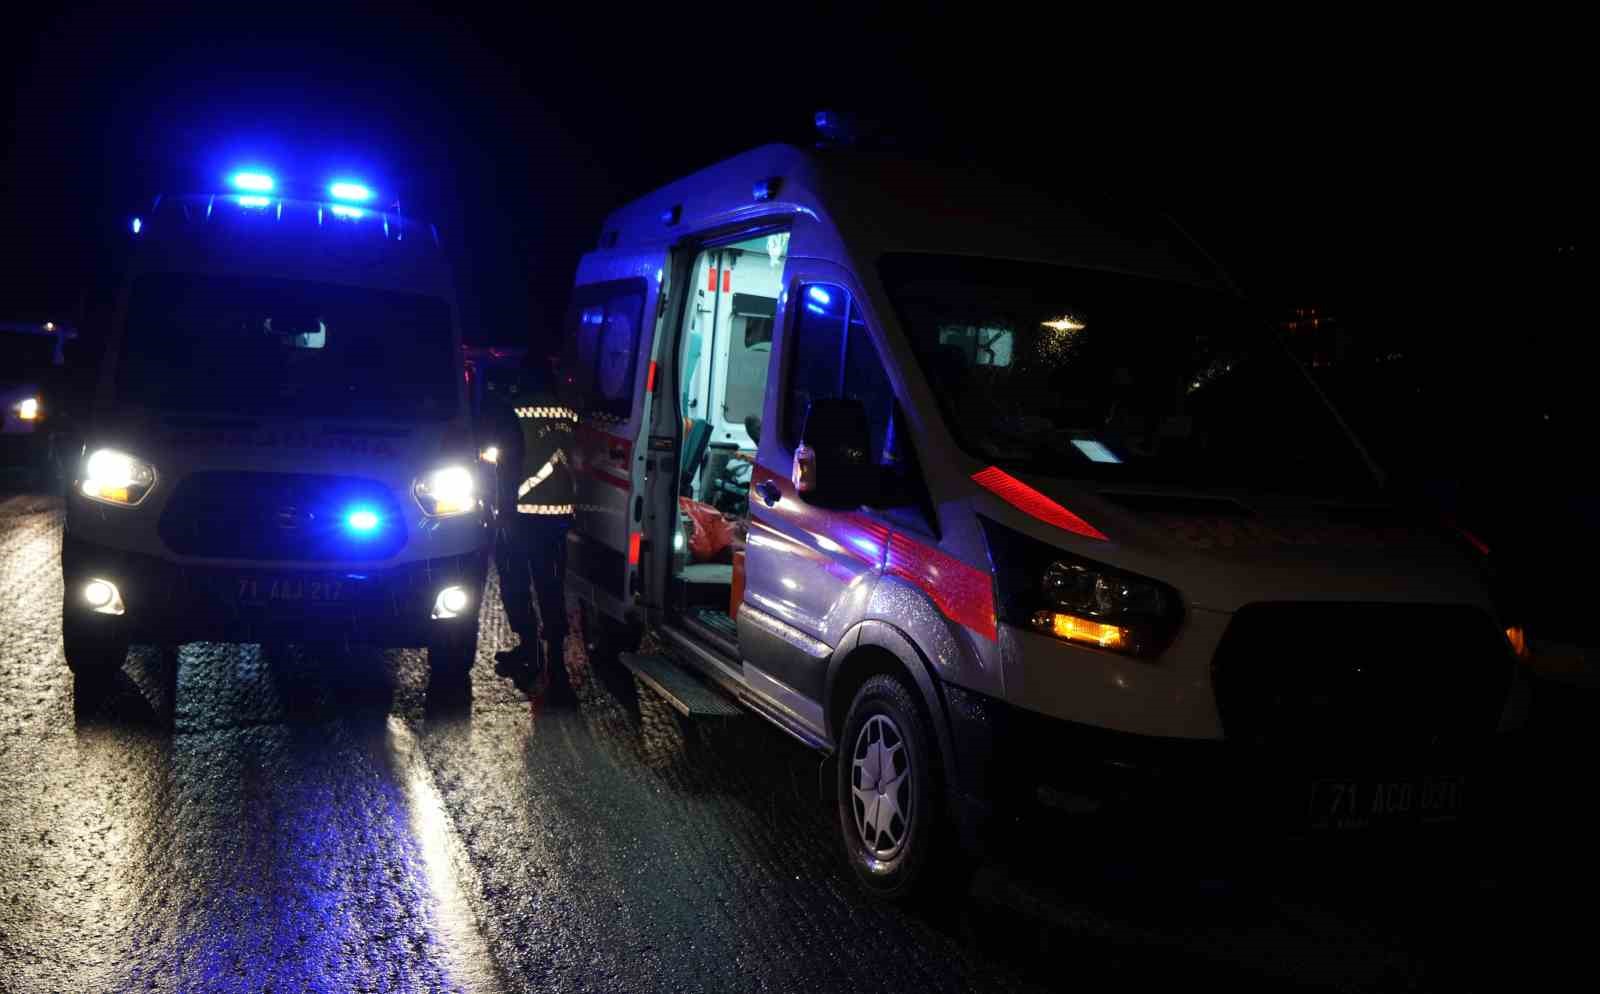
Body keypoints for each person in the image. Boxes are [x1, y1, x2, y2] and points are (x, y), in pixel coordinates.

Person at [491, 356, 578, 695]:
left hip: (521, 516)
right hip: (558, 516)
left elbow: (507, 468)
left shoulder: (514, 412)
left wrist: (502, 514)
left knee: (515, 581)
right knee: (551, 585)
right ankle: (556, 657)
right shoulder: (567, 413)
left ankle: (529, 649)